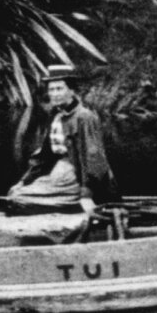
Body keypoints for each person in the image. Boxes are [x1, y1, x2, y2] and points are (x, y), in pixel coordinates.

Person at [7, 63, 119, 217]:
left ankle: (69, 209)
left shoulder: (84, 117)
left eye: (60, 89)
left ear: (71, 91)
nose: (55, 93)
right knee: (16, 193)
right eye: (51, 89)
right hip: (59, 171)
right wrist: (24, 181)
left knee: (21, 199)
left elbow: (94, 158)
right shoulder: (55, 116)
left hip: (78, 175)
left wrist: (86, 193)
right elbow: (44, 155)